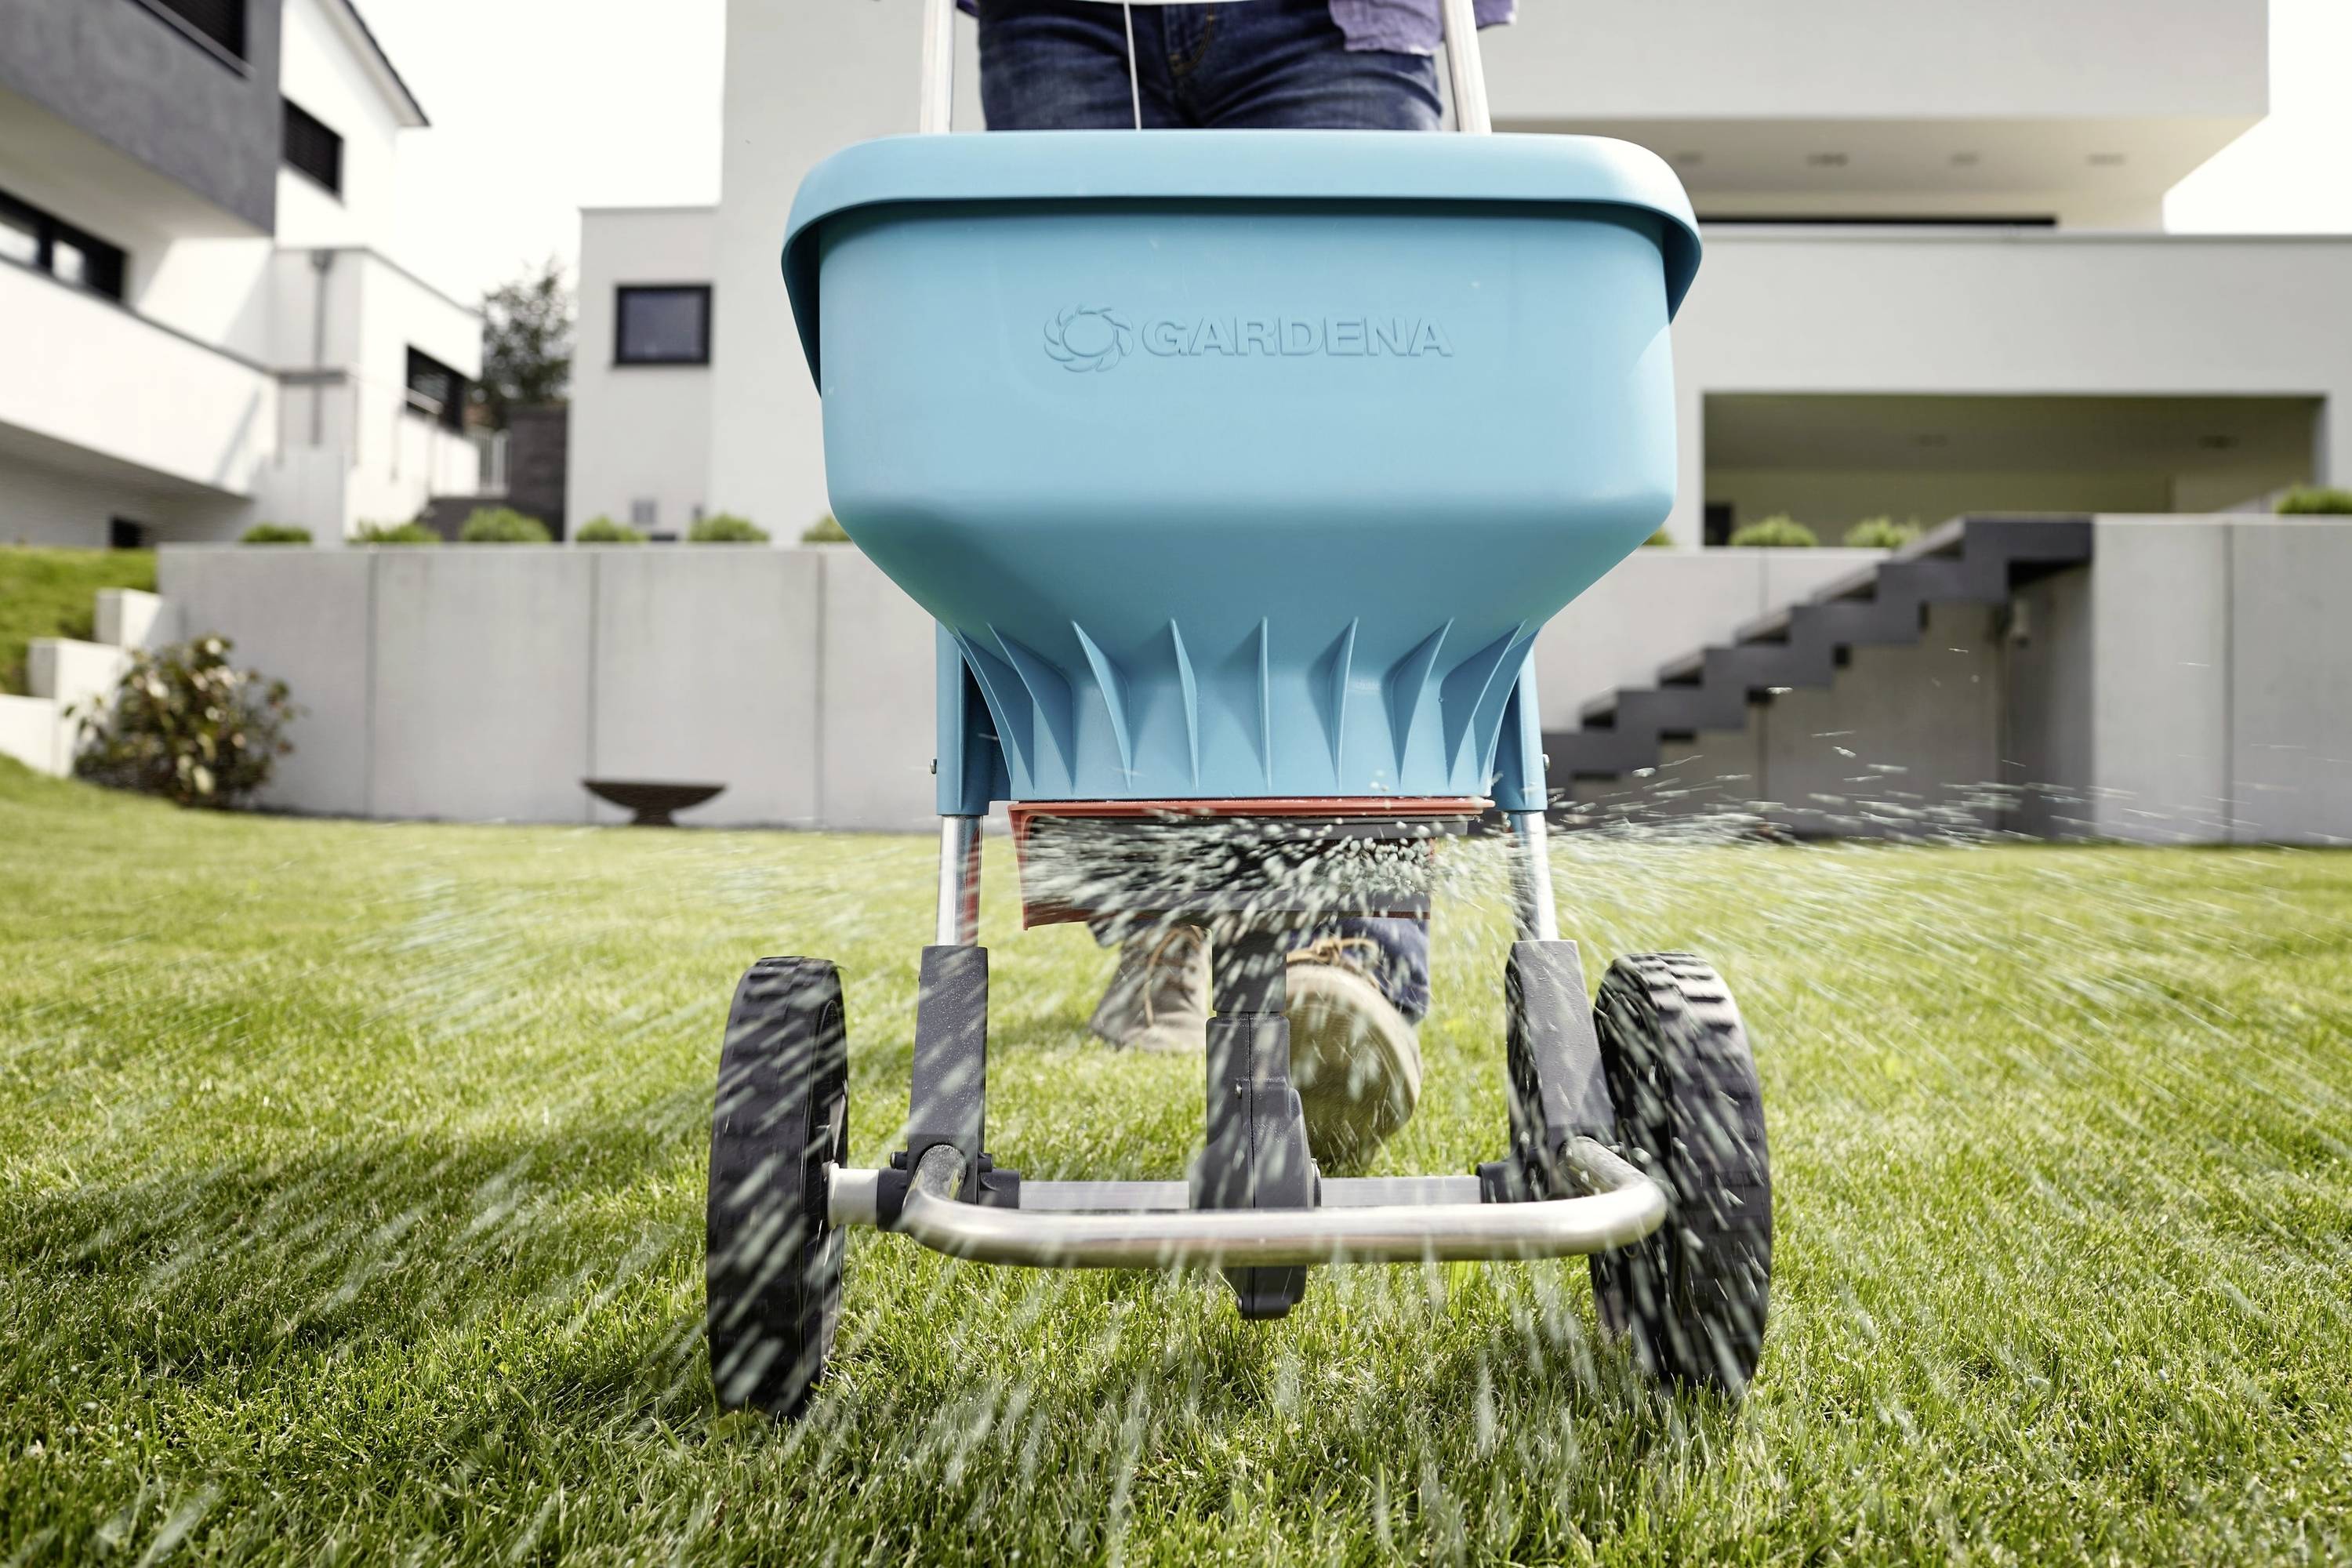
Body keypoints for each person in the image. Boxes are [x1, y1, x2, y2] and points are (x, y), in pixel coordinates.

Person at [972, 0, 1515, 1168]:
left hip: (1332, 18)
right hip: (1065, 18)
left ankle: (1354, 954)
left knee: (1358, 463)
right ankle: (1158, 911)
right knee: (1089, 461)